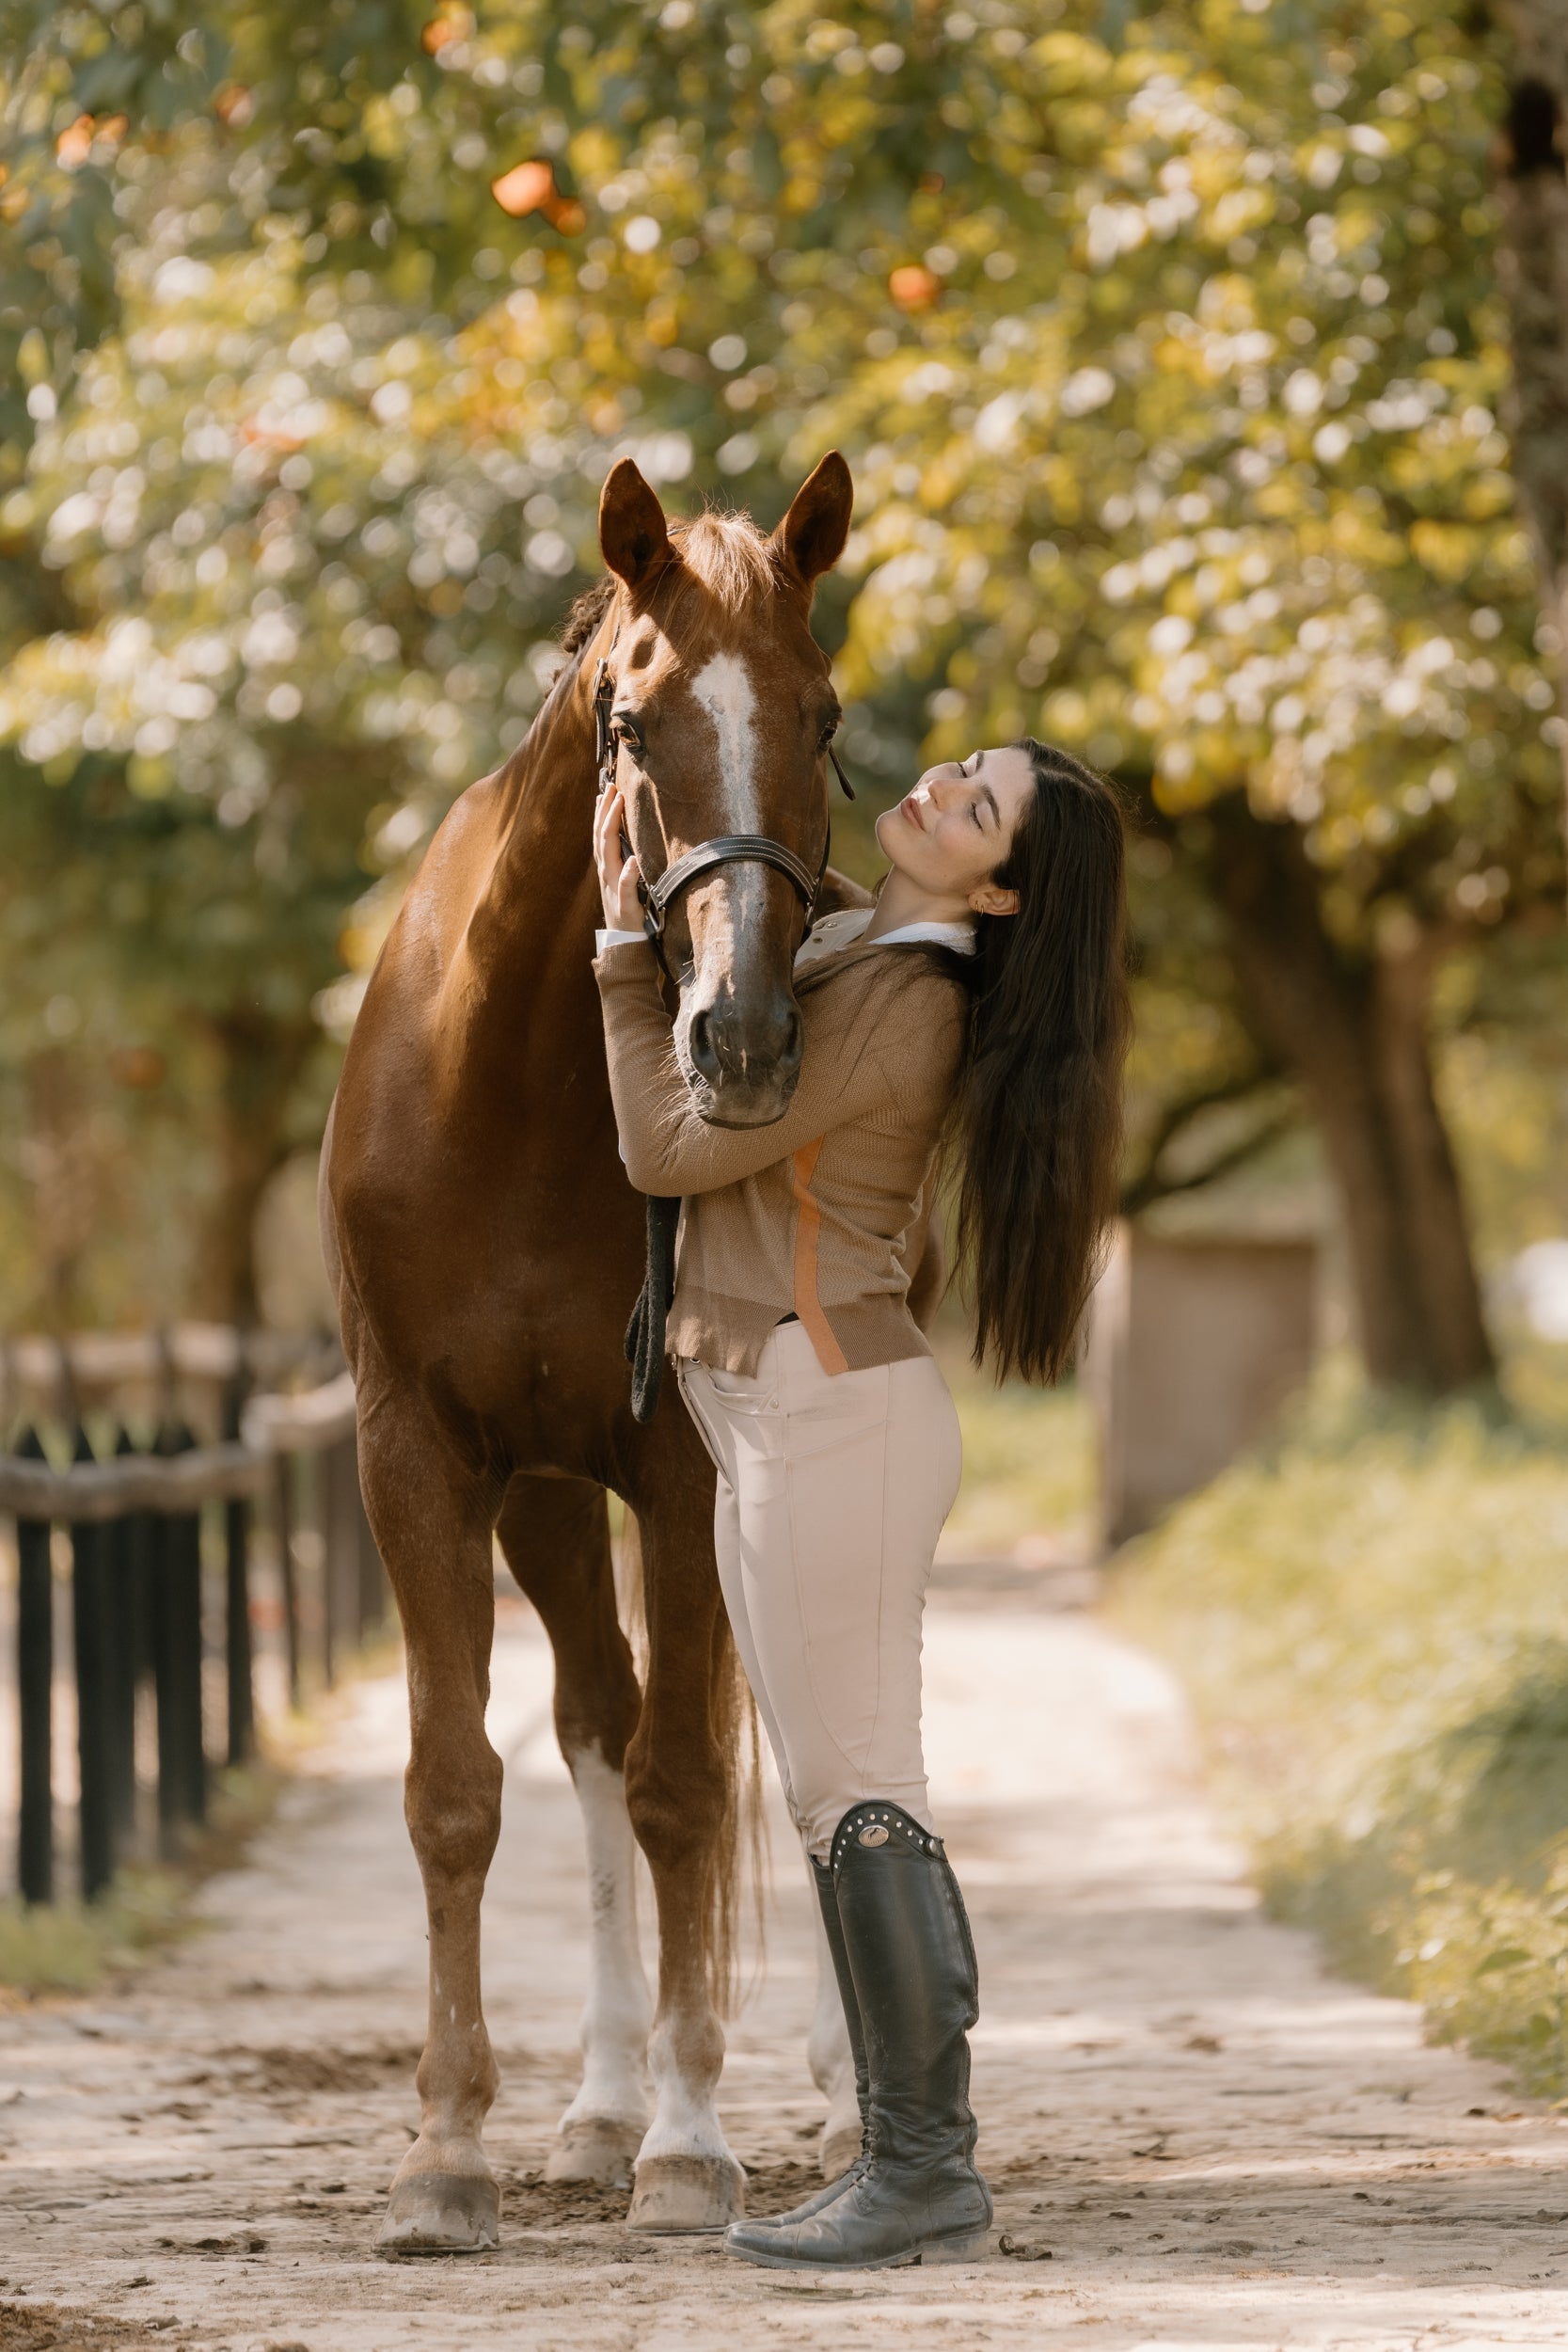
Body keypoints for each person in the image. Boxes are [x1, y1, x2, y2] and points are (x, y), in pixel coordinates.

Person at [592, 737, 1130, 2271]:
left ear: (1004, 885)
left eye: (979, 810)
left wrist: (625, 952)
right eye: (961, 765)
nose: (940, 786)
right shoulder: (859, 943)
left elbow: (664, 1149)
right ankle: (911, 2158)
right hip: (775, 1408)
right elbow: (778, 920)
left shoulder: (907, 1004)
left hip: (836, 1413)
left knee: (860, 1795)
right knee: (839, 1802)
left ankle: (922, 2169)